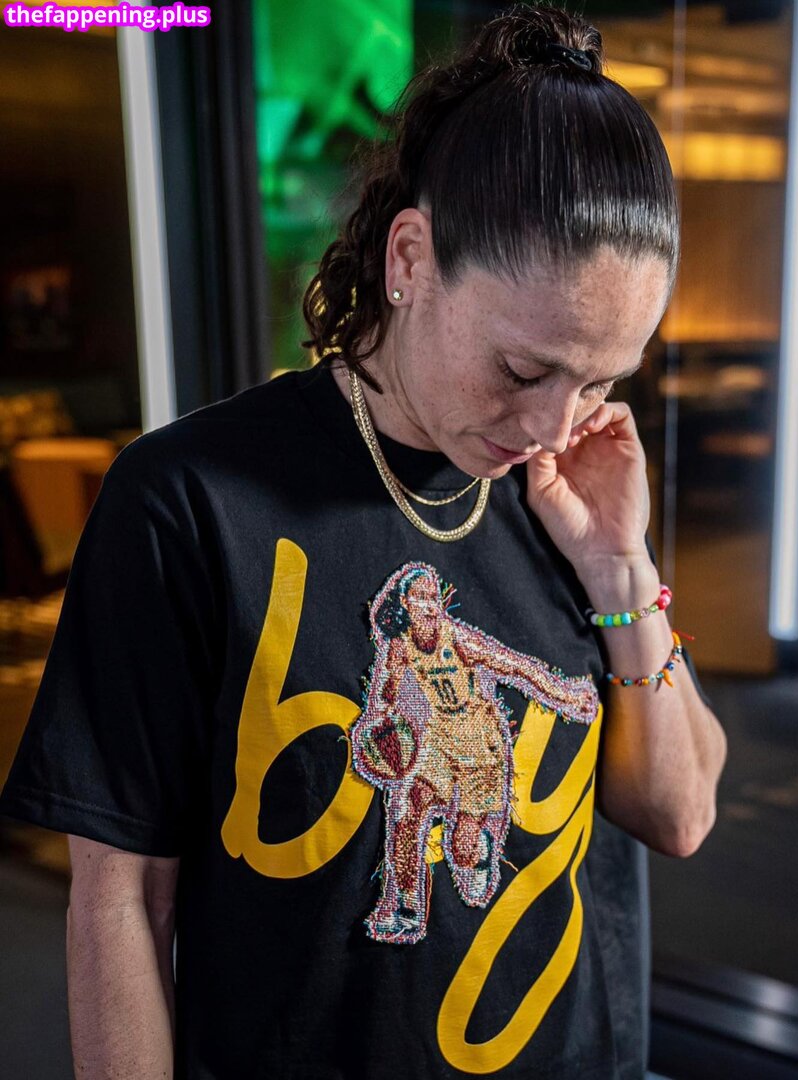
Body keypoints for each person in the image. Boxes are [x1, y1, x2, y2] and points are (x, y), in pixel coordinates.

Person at [0, 2, 727, 1077]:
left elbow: (677, 811)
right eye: (524, 369)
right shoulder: (188, 503)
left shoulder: (566, 493)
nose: (551, 424)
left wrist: (622, 569)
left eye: (599, 382)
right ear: (410, 258)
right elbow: (120, 903)